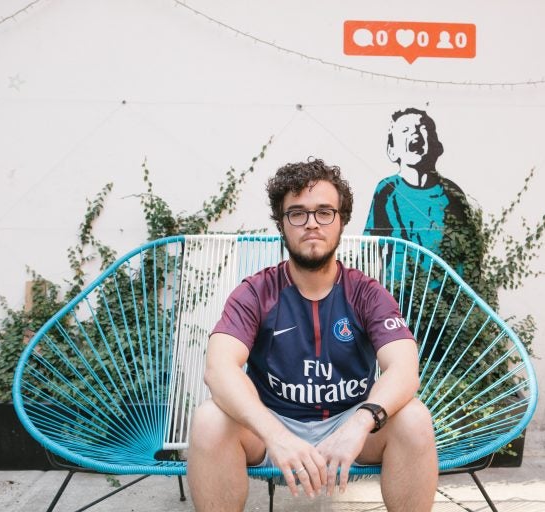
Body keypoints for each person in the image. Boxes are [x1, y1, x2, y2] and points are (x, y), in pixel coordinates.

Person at [187, 158, 438, 511]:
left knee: (414, 418)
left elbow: (404, 369)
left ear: (341, 221)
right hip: (269, 424)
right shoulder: (256, 292)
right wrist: (276, 436)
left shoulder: (367, 293)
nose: (311, 224)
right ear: (282, 223)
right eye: (297, 213)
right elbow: (219, 369)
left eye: (324, 212)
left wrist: (360, 425)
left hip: (351, 421)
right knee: (209, 419)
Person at [363, 107, 472, 267]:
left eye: (422, 128)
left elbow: (467, 249)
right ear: (392, 151)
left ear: (436, 146)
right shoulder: (386, 190)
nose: (414, 133)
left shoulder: (451, 193)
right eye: (405, 130)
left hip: (443, 287)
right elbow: (370, 247)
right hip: (396, 288)